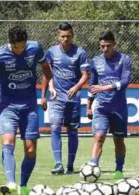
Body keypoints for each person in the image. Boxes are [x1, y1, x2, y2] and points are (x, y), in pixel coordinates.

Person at [0, 26, 52, 195]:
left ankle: (23, 187)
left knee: (31, 149)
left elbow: (46, 68)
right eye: (16, 47)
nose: (20, 50)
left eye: (22, 46)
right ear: (10, 43)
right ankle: (11, 183)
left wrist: (50, 88)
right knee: (8, 141)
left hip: (30, 107)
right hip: (8, 107)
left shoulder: (35, 48)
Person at [40, 22, 90, 175]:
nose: (65, 39)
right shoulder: (51, 52)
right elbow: (46, 74)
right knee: (55, 127)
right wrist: (45, 93)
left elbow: (85, 75)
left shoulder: (80, 52)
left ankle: (70, 165)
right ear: (58, 36)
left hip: (73, 98)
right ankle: (58, 163)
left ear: (72, 36)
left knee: (72, 131)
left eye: (68, 36)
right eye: (62, 36)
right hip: (56, 97)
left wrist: (76, 87)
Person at [84, 31, 131, 180]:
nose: (105, 49)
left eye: (108, 46)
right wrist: (89, 105)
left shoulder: (124, 59)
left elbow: (125, 82)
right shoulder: (96, 61)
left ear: (114, 44)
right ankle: (93, 167)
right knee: (99, 136)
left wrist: (104, 88)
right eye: (102, 46)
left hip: (119, 108)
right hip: (102, 108)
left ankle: (118, 169)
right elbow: (92, 85)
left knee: (118, 140)